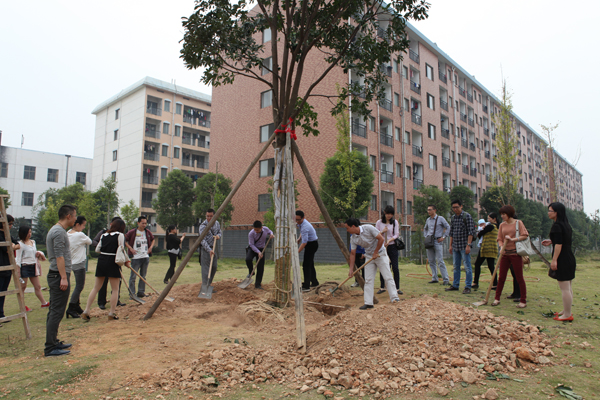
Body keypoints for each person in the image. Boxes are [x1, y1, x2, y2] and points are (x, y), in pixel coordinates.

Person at [81, 219, 131, 322]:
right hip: (112, 262)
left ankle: (86, 310)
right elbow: (121, 249)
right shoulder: (120, 235)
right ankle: (111, 313)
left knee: (96, 287)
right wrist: (127, 260)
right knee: (115, 289)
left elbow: (97, 250)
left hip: (102, 261)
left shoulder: (104, 235)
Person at [345, 218, 400, 309]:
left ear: (353, 226)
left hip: (380, 254)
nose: (347, 230)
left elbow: (381, 239)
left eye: (347, 228)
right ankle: (368, 303)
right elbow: (352, 253)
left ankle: (394, 298)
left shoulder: (369, 228)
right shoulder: (353, 238)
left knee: (387, 276)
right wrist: (351, 269)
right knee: (368, 279)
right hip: (369, 256)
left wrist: (376, 252)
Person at [45, 204, 77, 357]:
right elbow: (59, 256)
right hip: (58, 275)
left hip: (58, 274)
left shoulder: (58, 230)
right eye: (75, 215)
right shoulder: (58, 232)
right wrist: (63, 277)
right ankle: (50, 347)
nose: (76, 218)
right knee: (56, 311)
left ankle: (53, 341)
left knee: (55, 311)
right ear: (68, 216)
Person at [542, 202, 576, 322]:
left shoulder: (557, 226)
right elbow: (561, 240)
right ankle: (566, 311)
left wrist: (554, 260)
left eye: (550, 210)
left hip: (563, 259)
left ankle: (567, 315)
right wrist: (551, 241)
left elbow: (559, 244)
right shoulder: (565, 225)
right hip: (569, 257)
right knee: (568, 286)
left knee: (565, 288)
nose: (548, 213)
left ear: (556, 212)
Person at [492, 205, 528, 308]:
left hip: (515, 253)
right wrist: (501, 246)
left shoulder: (518, 223)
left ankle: (523, 300)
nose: (502, 216)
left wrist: (513, 239)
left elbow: (525, 235)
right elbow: (499, 238)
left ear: (509, 214)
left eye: (504, 214)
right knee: (501, 277)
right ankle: (497, 298)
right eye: (501, 214)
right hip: (505, 254)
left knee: (519, 277)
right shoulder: (502, 225)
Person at [93, 216, 125, 309]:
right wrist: (104, 248)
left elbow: (121, 248)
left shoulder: (120, 235)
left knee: (116, 284)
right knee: (102, 283)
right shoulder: (103, 233)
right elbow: (95, 242)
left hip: (116, 261)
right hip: (105, 260)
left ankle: (116, 300)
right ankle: (101, 302)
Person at [16, 225, 49, 311]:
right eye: (28, 233)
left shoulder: (33, 242)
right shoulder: (20, 244)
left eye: (30, 232)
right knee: (23, 287)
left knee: (37, 286)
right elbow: (18, 258)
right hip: (24, 266)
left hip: (33, 266)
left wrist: (39, 254)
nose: (29, 234)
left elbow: (34, 253)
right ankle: (22, 306)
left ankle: (44, 303)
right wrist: (18, 271)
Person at [447, 199, 476, 294]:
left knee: (467, 266)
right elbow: (451, 233)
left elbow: (471, 232)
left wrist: (468, 245)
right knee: (456, 266)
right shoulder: (453, 218)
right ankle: (455, 285)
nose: (455, 209)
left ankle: (468, 286)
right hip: (455, 246)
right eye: (453, 208)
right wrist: (450, 245)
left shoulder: (466, 216)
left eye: (457, 207)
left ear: (461, 206)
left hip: (464, 245)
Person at [66, 216, 92, 318]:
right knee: (79, 286)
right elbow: (89, 241)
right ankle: (71, 307)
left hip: (71, 262)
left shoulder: (67, 233)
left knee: (78, 285)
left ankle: (76, 306)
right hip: (80, 263)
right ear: (77, 225)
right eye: (83, 225)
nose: (84, 227)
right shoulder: (79, 235)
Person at [125, 216, 155, 298]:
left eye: (145, 223)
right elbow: (124, 240)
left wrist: (150, 247)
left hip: (145, 257)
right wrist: (130, 248)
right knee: (133, 277)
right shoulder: (132, 232)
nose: (144, 225)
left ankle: (141, 292)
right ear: (138, 223)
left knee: (143, 276)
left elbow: (153, 239)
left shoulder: (148, 232)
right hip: (135, 258)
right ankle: (132, 294)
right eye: (142, 223)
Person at [423, 204, 450, 285]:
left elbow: (448, 227)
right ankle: (435, 278)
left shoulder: (440, 218)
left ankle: (446, 279)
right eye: (428, 210)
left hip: (437, 241)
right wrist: (426, 236)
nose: (428, 211)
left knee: (440, 261)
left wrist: (444, 237)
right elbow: (425, 228)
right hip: (429, 241)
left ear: (435, 210)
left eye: (430, 209)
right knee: (431, 261)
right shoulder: (428, 220)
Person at [0, 215, 20, 328]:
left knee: (4, 291)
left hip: (8, 267)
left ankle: (1, 314)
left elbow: (17, 245)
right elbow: (7, 249)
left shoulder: (8, 235)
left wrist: (12, 246)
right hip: (1, 266)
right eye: (9, 224)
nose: (11, 226)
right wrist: (11, 246)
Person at [473, 213, 499, 290]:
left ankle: (475, 282)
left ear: (494, 219)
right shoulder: (497, 227)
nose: (488, 220)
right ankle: (495, 283)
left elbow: (480, 233)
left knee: (477, 264)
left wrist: (481, 231)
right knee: (491, 266)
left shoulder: (490, 226)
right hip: (492, 248)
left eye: (489, 218)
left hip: (486, 248)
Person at [246, 221, 274, 289]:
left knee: (260, 267)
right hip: (253, 248)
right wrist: (258, 252)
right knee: (248, 259)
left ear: (261, 228)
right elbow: (251, 244)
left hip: (262, 249)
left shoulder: (265, 229)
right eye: (255, 229)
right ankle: (251, 271)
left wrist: (271, 234)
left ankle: (258, 284)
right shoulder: (251, 233)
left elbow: (270, 232)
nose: (256, 231)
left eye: (258, 230)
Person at [295, 210, 319, 292]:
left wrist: (297, 252)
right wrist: (299, 238)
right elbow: (302, 233)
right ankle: (314, 282)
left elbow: (304, 243)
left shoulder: (305, 226)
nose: (297, 222)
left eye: (299, 220)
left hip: (311, 245)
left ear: (303, 218)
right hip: (310, 244)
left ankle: (306, 286)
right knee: (310, 264)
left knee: (306, 265)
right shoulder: (301, 223)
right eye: (296, 220)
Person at [198, 209, 221, 291]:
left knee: (214, 267)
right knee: (205, 269)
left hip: (214, 247)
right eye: (207, 216)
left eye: (211, 216)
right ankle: (204, 289)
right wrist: (209, 250)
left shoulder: (217, 223)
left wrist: (218, 236)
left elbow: (219, 232)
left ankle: (209, 285)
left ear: (214, 216)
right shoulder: (203, 226)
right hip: (206, 249)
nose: (209, 218)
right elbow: (202, 240)